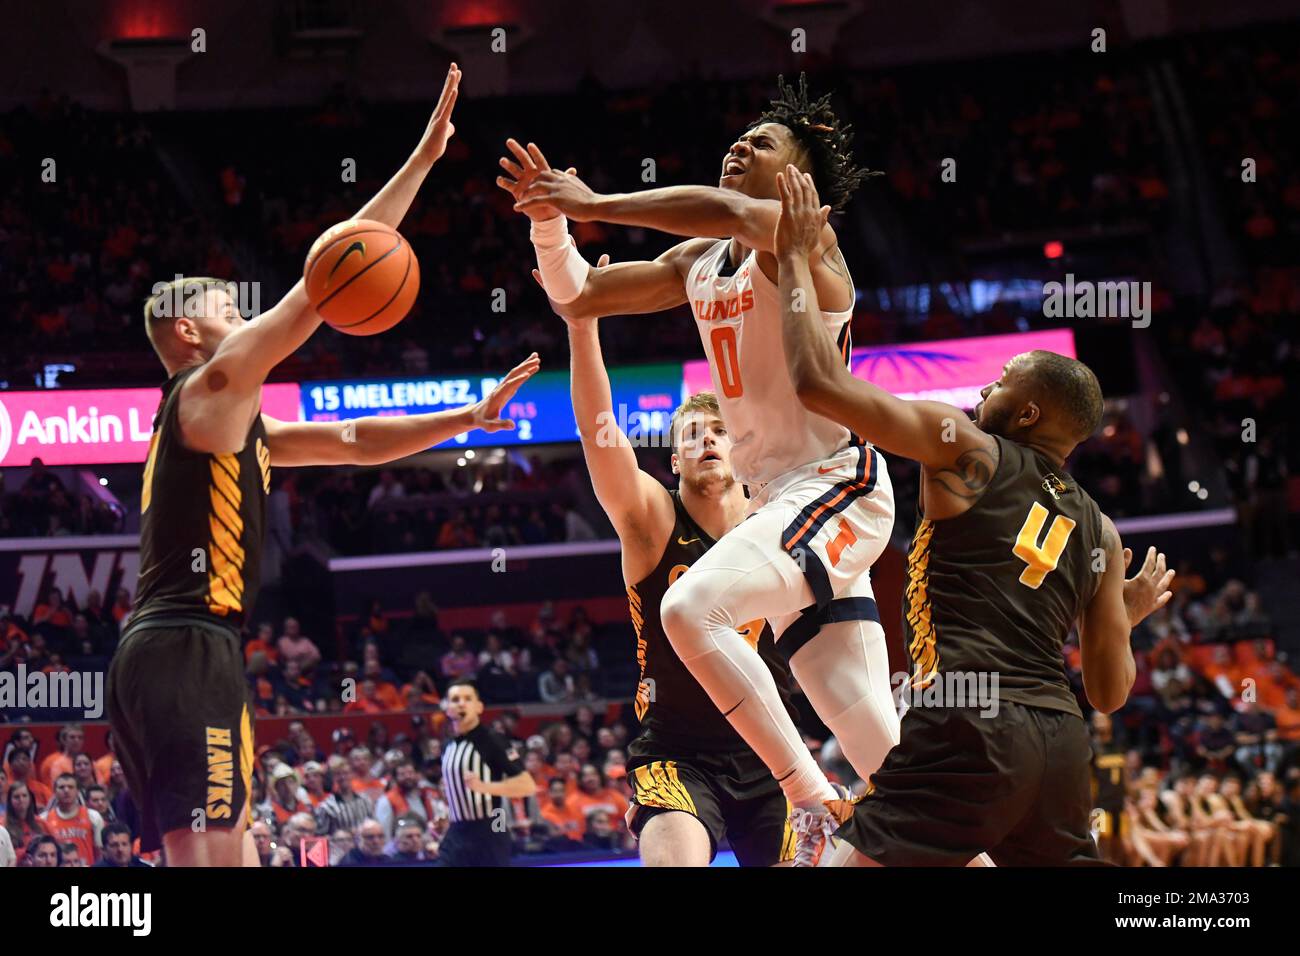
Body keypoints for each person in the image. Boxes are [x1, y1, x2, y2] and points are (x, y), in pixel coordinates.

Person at [104, 64, 543, 868]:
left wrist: (469, 418)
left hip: (186, 646)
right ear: (190, 334)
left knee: (217, 846)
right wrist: (420, 161)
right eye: (228, 310)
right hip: (185, 643)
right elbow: (325, 277)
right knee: (206, 851)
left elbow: (354, 442)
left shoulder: (232, 421)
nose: (244, 317)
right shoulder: (208, 385)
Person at [504, 74, 899, 863]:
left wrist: (594, 201)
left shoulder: (806, 237)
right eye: (737, 137)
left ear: (800, 177)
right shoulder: (700, 259)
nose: (739, 146)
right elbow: (579, 297)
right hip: (785, 509)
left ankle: (808, 795)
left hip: (836, 488)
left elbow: (726, 211)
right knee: (894, 766)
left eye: (763, 142)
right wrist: (553, 229)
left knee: (688, 611)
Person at [771, 166, 1175, 865]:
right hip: (1057, 740)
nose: (984, 385)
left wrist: (794, 263)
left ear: (1025, 413)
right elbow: (1108, 694)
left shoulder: (971, 451)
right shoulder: (1101, 530)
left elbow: (815, 384)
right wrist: (1121, 620)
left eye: (1001, 378)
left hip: (970, 722)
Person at [438, 680, 533, 866]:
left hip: (491, 825)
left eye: (467, 699)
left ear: (479, 707)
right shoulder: (447, 745)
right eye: (455, 699)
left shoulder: (492, 740)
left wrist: (484, 787)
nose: (461, 704)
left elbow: (526, 785)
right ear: (447, 708)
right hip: (458, 828)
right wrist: (450, 814)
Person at [42, 773, 103, 866]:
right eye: (62, 787)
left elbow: (100, 852)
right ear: (54, 791)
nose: (66, 790)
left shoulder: (93, 816)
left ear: (77, 791)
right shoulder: (44, 819)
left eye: (70, 787)